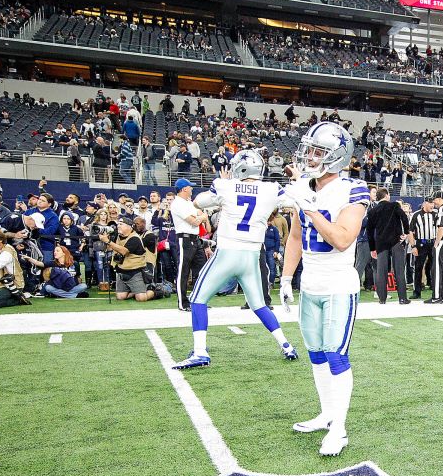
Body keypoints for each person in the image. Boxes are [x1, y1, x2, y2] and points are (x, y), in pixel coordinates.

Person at [277, 121, 371, 457]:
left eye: (318, 151)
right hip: (311, 284)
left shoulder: (354, 189)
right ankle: (327, 413)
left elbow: (342, 239)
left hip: (337, 284)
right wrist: (287, 278)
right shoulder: (305, 185)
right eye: (311, 149)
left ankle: (340, 429)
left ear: (336, 156)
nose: (310, 156)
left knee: (335, 353)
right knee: (315, 353)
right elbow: (296, 237)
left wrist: (311, 207)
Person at [171, 152, 299, 370]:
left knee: (198, 299)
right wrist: (297, 178)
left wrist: (226, 188)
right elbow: (295, 199)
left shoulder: (224, 185)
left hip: (228, 252)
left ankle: (200, 352)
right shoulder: (271, 189)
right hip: (251, 255)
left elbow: (197, 202)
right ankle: (286, 345)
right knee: (259, 305)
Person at [365, 187, 412, 305]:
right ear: (386, 196)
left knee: (381, 272)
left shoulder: (372, 211)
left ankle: (382, 299)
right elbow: (404, 217)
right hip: (395, 241)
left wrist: (372, 248)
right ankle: (402, 298)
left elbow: (369, 231)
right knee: (399, 270)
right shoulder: (394, 206)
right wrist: (405, 232)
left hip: (381, 244)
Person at [170, 178, 208, 311]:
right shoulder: (177, 203)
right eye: (190, 187)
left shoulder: (188, 203)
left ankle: (198, 300)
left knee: (202, 270)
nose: (192, 189)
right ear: (184, 188)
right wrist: (203, 217)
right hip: (184, 238)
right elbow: (195, 221)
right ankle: (183, 303)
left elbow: (199, 216)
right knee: (183, 271)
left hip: (195, 238)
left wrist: (201, 217)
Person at [103, 219, 156, 302]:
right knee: (120, 297)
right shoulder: (118, 236)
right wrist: (105, 239)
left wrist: (108, 241)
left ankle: (158, 290)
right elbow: (110, 248)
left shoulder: (135, 238)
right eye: (118, 224)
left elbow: (124, 251)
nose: (118, 226)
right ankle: (136, 290)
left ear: (130, 227)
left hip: (135, 272)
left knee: (141, 298)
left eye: (121, 224)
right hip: (122, 271)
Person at [409, 197, 438, 299]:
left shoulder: (436, 215)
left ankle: (436, 290)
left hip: (433, 243)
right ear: (425, 203)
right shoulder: (416, 215)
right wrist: (413, 246)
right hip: (421, 243)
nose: (432, 205)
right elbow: (410, 231)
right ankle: (417, 291)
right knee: (418, 267)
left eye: (433, 203)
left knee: (435, 267)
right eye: (430, 203)